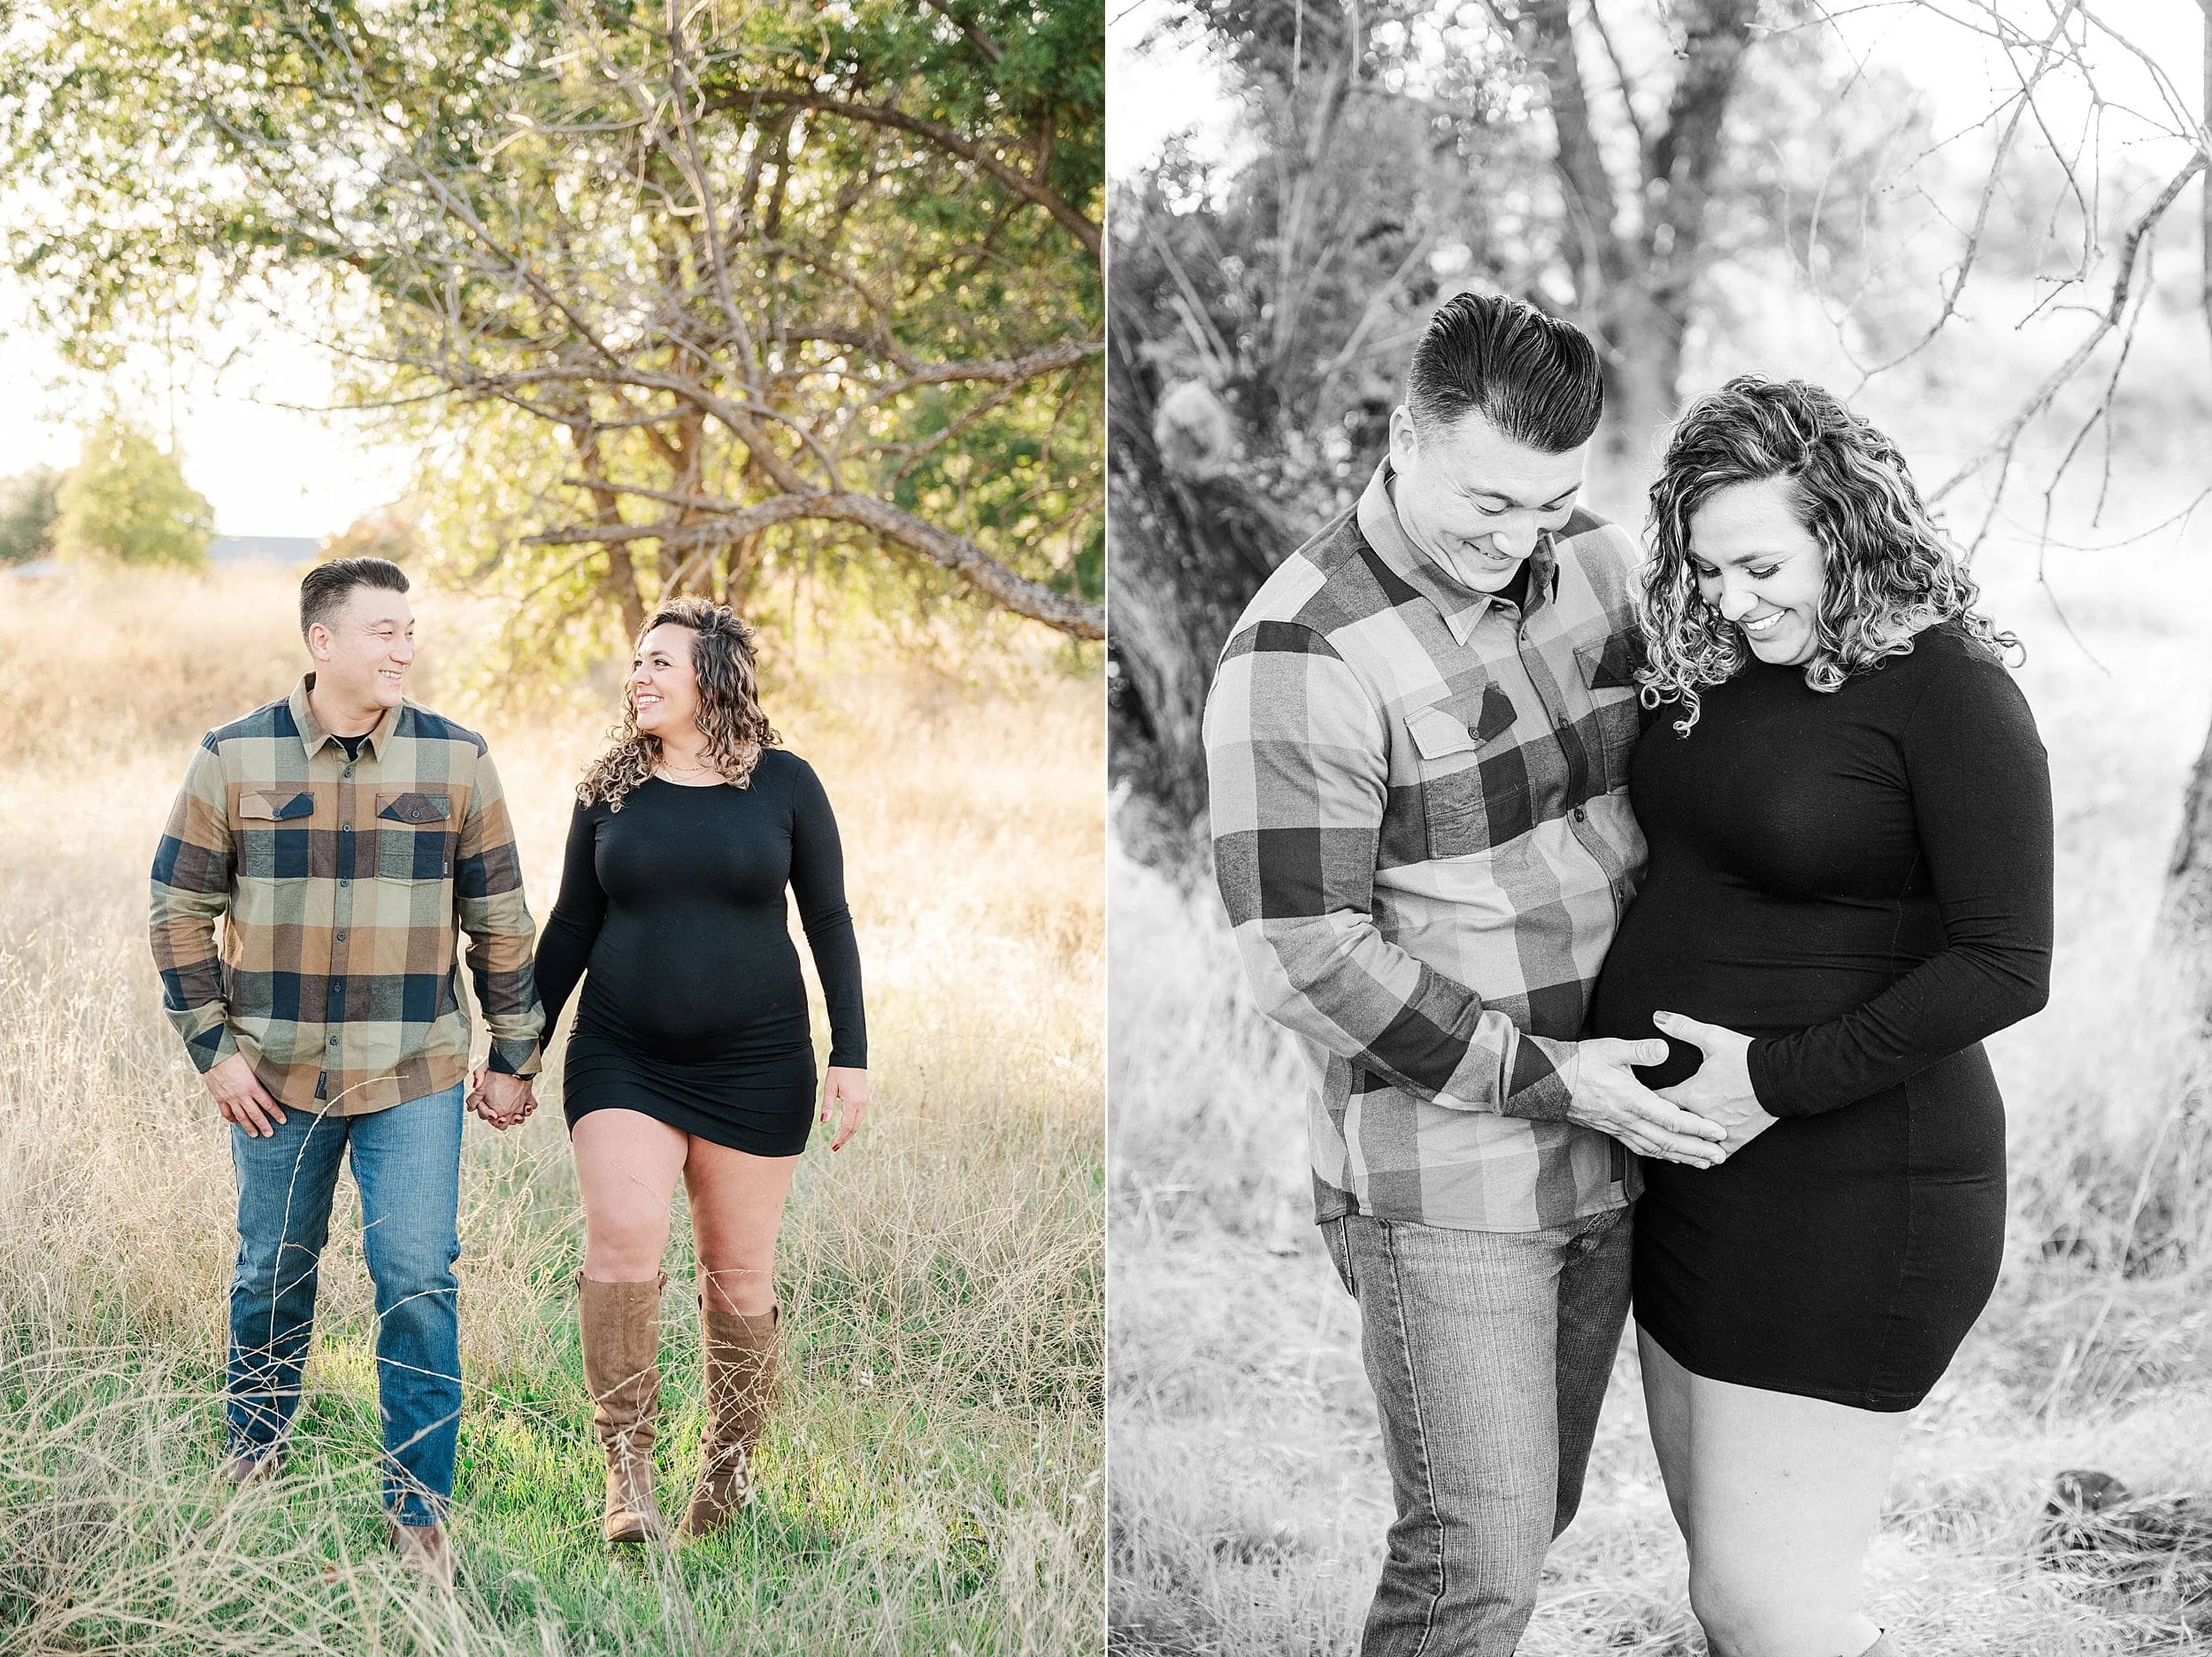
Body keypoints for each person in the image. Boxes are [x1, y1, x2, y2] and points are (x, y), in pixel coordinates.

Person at [1202, 290, 1727, 1655]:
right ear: (1404, 435)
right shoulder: (1299, 653)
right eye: (1488, 504)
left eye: (1549, 506)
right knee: (1474, 1563)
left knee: (1528, 1517)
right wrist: (1561, 1082)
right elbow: (1304, 957)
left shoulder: (1606, 570)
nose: (1516, 542)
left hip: (1621, 1147)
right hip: (1452, 1174)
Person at [1588, 376, 2055, 1657]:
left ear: (1845, 524)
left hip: (1853, 1193)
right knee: (1721, 1594)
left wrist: (1773, 1080)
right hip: (1696, 1188)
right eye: (1708, 569)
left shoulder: (1947, 691)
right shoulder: (1724, 661)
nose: (1733, 598)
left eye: (1760, 563)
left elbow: (2010, 962)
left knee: (1771, 1609)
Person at [150, 556, 544, 1584]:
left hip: (411, 1073)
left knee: (416, 1278)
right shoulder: (233, 758)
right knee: (270, 1274)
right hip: (274, 1079)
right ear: (322, 643)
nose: (403, 647)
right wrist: (215, 1052)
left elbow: (498, 919)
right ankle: (253, 1459)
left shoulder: (458, 761)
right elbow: (179, 910)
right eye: (381, 630)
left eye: (408, 629)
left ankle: (419, 1518)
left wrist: (513, 1053)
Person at [532, 596, 868, 1546]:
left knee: (737, 1279)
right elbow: (570, 926)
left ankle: (724, 1480)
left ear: (712, 676)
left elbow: (830, 922)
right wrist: (519, 1048)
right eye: (635, 664)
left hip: (757, 1064)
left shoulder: (787, 785)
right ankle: (626, 1472)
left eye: (659, 664)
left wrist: (852, 1052)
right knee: (624, 1240)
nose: (638, 677)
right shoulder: (609, 789)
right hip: (621, 1056)